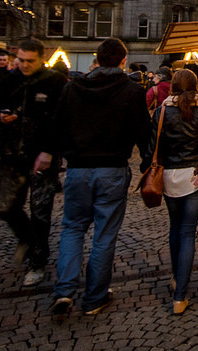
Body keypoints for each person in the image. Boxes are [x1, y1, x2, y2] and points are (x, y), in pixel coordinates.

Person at [43, 37, 150, 317]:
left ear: (97, 59)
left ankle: (64, 291)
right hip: (112, 169)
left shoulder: (73, 88)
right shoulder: (131, 90)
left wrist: (54, 154)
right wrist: (148, 163)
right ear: (123, 60)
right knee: (104, 234)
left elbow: (56, 126)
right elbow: (143, 133)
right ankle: (95, 296)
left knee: (72, 229)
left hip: (77, 168)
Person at [141, 69, 198, 315]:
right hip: (195, 175)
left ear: (172, 86)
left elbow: (152, 147)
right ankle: (180, 296)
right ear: (196, 86)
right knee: (187, 232)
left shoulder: (163, 110)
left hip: (170, 175)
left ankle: (176, 279)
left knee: (176, 228)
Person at [0, 38, 67, 287]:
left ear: (40, 59)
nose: (24, 65)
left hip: (42, 155)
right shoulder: (6, 80)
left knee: (41, 211)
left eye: (30, 61)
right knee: (5, 207)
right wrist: (1, 118)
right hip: (11, 153)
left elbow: (59, 120)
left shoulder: (55, 82)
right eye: (21, 60)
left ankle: (38, 259)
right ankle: (26, 239)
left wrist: (49, 151)